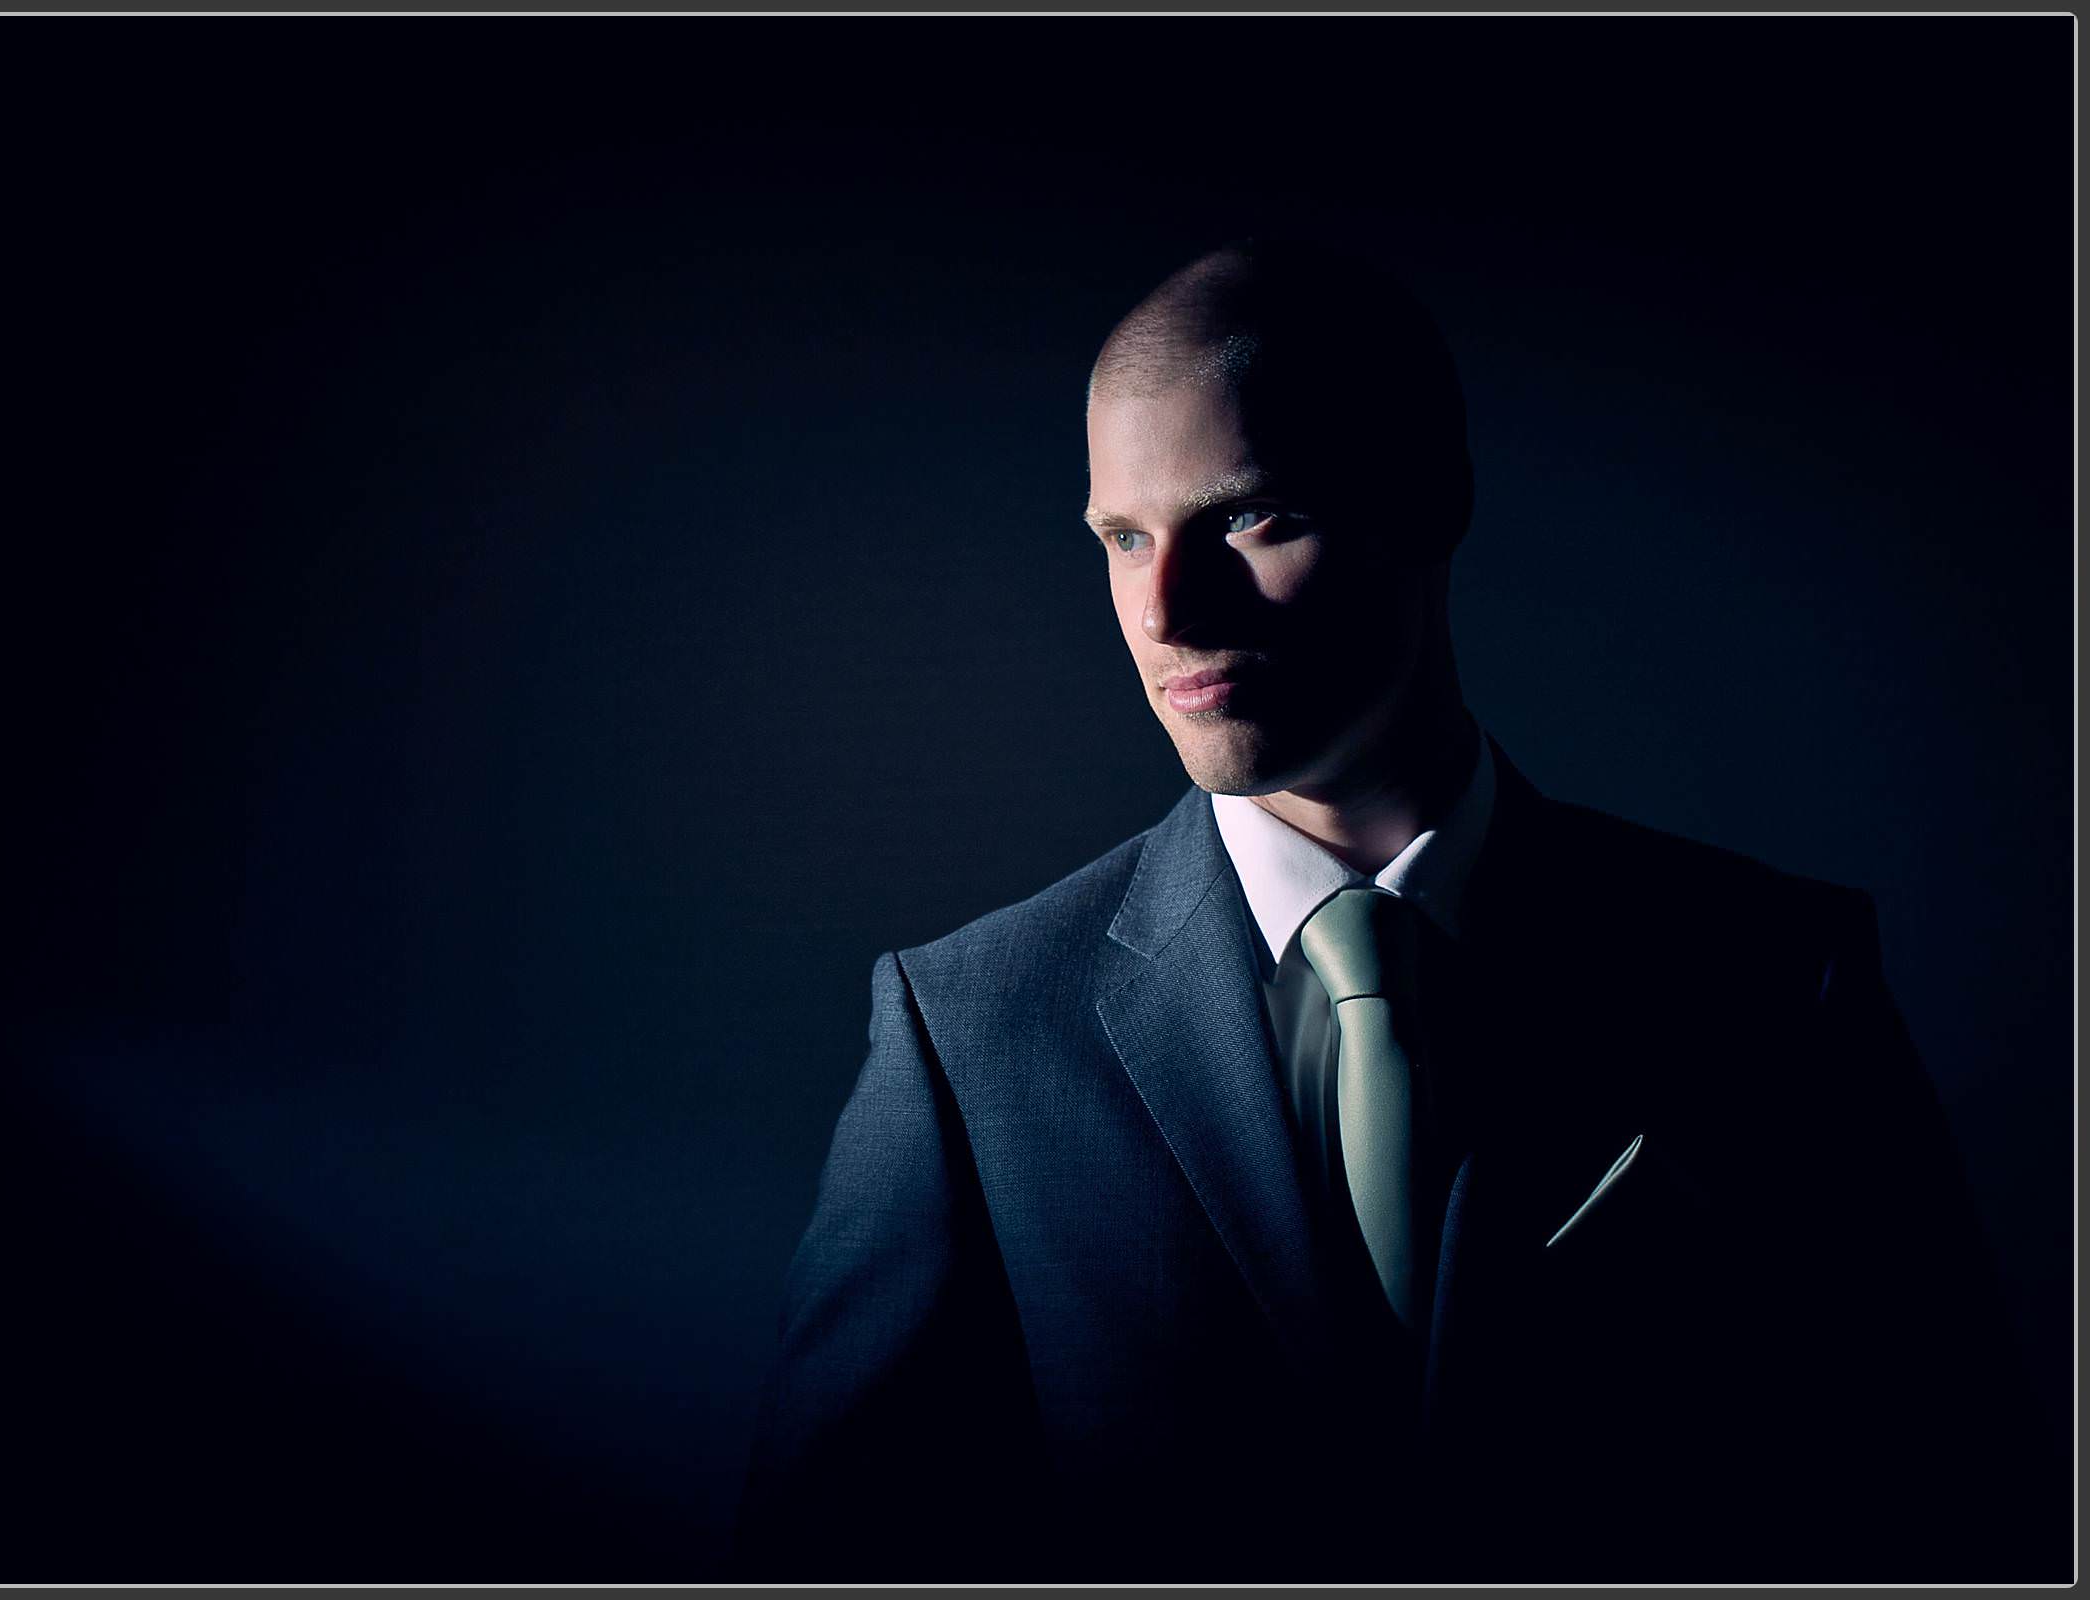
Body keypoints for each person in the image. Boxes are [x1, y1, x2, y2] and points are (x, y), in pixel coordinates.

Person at [735, 241, 2049, 1583]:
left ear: (1430, 507)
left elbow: (1954, 1505)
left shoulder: (1774, 980)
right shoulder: (972, 1034)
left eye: (1248, 518)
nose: (1164, 611)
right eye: (1125, 537)